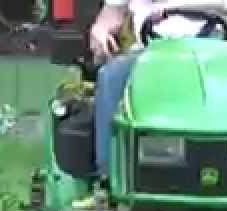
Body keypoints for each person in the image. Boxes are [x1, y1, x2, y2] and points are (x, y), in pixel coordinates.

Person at [87, 0, 217, 179]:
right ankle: (109, 177)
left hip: (210, 51)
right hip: (149, 52)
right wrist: (100, 31)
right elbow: (110, 15)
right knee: (111, 76)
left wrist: (167, 9)